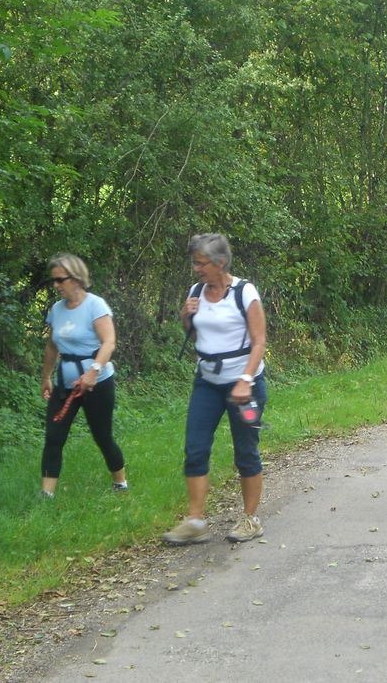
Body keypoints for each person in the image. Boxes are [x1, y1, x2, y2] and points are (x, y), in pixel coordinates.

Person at [163, 233, 267, 545]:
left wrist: (245, 380)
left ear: (220, 263)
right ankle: (195, 521)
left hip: (245, 386)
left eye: (201, 263)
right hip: (206, 382)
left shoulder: (244, 292)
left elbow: (260, 341)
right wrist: (186, 317)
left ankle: (250, 519)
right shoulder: (196, 291)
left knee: (245, 451)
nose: (195, 269)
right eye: (194, 262)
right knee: (195, 449)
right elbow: (194, 337)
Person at [40, 254, 127, 498]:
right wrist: (46, 377)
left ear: (76, 278)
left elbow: (108, 342)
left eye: (60, 280)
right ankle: (46, 495)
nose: (56, 285)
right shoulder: (57, 310)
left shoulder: (95, 305)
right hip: (64, 384)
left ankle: (120, 482)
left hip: (97, 384)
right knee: (54, 437)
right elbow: (52, 347)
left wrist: (93, 371)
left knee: (102, 436)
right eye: (54, 281)